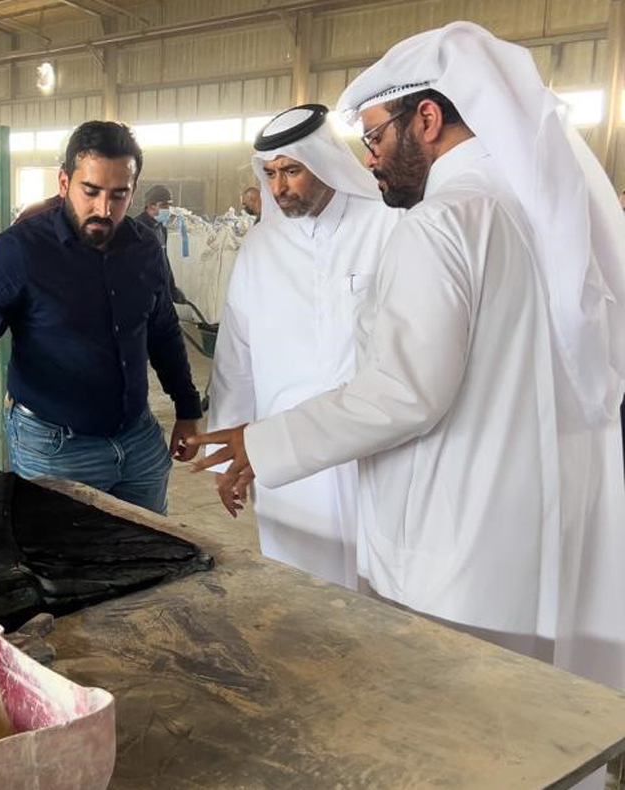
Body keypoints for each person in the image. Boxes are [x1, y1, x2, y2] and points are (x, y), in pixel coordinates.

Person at [192, 21, 625, 716]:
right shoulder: (519, 212)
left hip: (450, 538)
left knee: (448, 719)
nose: (367, 160)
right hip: (517, 526)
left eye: (373, 137)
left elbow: (403, 392)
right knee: (522, 718)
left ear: (425, 118)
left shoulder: (439, 221)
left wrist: (258, 443)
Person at [0, 121, 202, 515]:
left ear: (133, 191)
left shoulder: (144, 248)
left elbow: (162, 330)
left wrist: (188, 408)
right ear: (64, 182)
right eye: (90, 191)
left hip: (139, 442)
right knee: (64, 565)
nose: (103, 209)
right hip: (56, 448)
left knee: (153, 557)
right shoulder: (22, 250)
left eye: (119, 195)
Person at [206, 104, 400, 588]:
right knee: (300, 599)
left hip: (372, 456)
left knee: (380, 600)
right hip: (287, 462)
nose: (278, 189)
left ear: (327, 161)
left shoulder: (387, 227)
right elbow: (236, 359)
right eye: (269, 173)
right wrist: (235, 454)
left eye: (291, 171)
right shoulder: (260, 248)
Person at [135, 183, 186, 303]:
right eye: (163, 205)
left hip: (159, 291)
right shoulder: (137, 228)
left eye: (169, 205)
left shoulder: (161, 229)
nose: (167, 210)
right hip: (143, 292)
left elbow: (164, 262)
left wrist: (172, 289)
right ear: (151, 205)